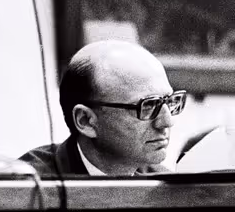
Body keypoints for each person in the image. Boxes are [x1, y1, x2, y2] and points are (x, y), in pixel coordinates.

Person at [19, 40, 185, 176]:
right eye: (148, 105)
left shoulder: (161, 184)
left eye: (170, 101)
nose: (167, 122)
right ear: (86, 121)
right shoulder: (26, 190)